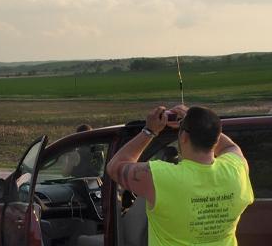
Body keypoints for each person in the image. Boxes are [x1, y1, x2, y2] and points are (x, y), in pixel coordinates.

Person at [106, 105, 253, 245]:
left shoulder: (162, 178)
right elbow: (230, 147)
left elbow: (114, 167)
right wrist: (200, 125)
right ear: (215, 138)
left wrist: (149, 131)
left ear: (183, 137)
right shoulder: (236, 169)